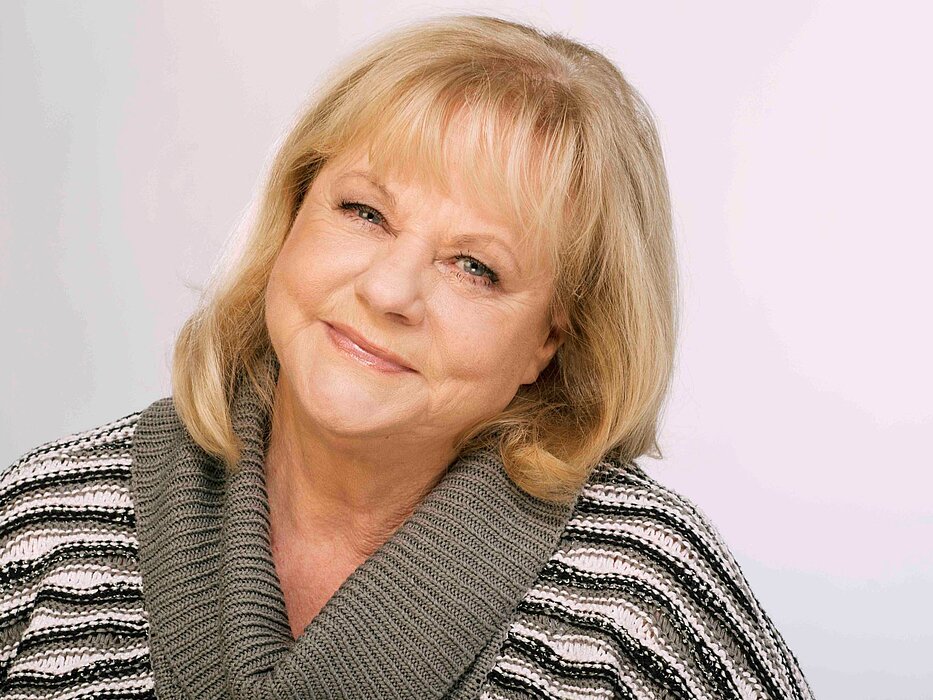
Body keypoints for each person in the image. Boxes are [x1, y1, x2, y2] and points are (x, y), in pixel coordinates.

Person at [0, 14, 815, 700]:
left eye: (475, 266)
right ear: (292, 214)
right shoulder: (44, 522)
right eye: (364, 212)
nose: (389, 290)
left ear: (551, 339)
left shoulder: (641, 598)